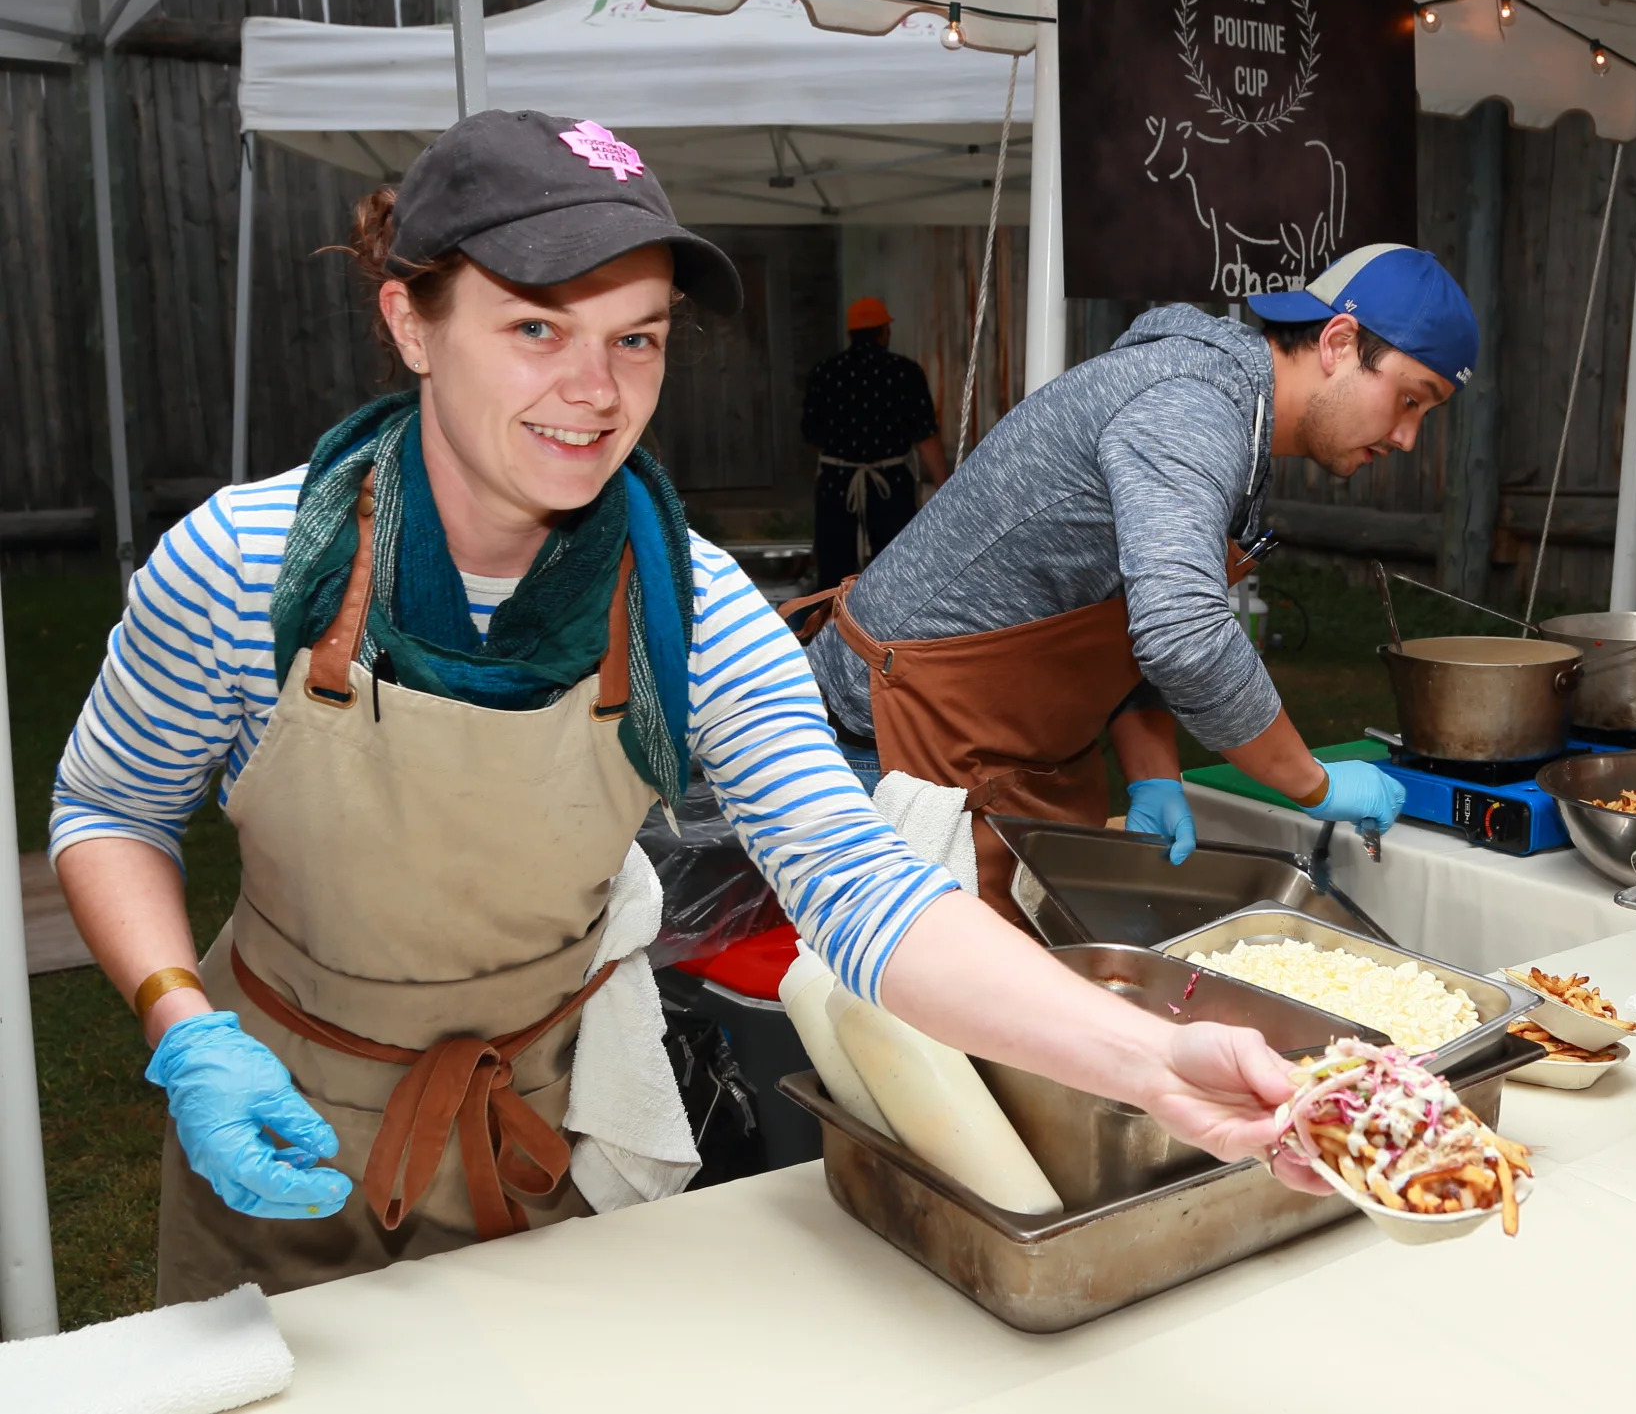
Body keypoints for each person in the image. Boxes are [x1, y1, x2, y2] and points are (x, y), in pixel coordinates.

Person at [48, 110, 1316, 1304]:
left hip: (527, 1133)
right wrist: (180, 1021)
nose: (596, 391)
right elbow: (108, 805)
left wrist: (1154, 1060)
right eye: (537, 328)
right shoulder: (246, 563)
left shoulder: (691, 608)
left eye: (636, 337)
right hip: (265, 1116)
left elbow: (865, 891)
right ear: (411, 321)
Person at [800, 244, 1476, 917]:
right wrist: (1313, 782)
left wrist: (1153, 772)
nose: (1409, 437)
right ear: (1338, 340)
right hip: (883, 745)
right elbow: (1182, 632)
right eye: (1410, 398)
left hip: (979, 741)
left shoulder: (1232, 413)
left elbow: (1121, 607)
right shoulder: (1192, 407)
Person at [800, 296, 948, 590]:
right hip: (890, 487)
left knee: (834, 573)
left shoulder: (824, 373)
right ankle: (895, 632)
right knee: (897, 570)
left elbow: (812, 437)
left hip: (838, 487)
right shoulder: (905, 373)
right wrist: (947, 490)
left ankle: (832, 630)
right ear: (884, 332)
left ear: (850, 334)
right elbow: (925, 438)